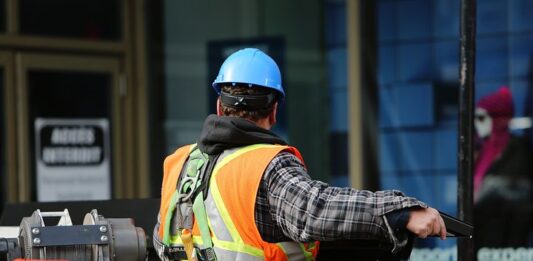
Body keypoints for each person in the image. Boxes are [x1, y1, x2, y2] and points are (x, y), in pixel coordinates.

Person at [153, 48, 446, 261]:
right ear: (275, 111)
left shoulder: (180, 162)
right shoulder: (267, 165)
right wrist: (399, 211)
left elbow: (161, 240)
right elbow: (314, 212)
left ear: (219, 107)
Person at [473, 87, 533, 250]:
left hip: (506, 244)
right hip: (480, 241)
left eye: (481, 118)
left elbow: (520, 194)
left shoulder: (517, 150)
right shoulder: (480, 152)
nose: (476, 124)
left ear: (498, 119)